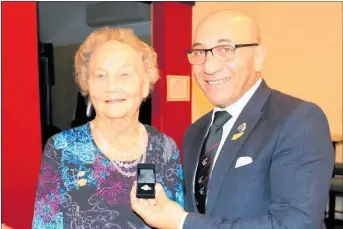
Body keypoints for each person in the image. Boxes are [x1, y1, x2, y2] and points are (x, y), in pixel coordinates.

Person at [130, 9, 335, 229]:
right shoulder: (195, 132)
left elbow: (296, 225)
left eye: (225, 49)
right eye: (200, 52)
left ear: (258, 57)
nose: (209, 67)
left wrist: (183, 222)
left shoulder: (298, 120)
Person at [32, 27, 184, 229]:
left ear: (145, 84)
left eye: (124, 74)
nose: (111, 87)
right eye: (101, 76)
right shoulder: (61, 149)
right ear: (87, 85)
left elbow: (179, 222)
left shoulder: (165, 148)